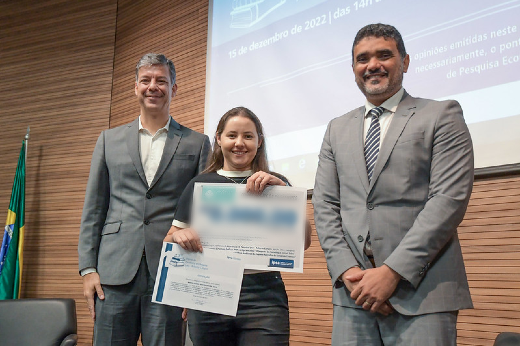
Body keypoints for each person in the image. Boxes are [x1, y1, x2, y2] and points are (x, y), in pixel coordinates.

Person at [312, 23, 474, 346]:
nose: (372, 65)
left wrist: (391, 273)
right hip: (353, 297)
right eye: (362, 59)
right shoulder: (336, 129)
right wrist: (348, 272)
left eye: (384, 55)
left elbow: (448, 201)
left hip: (422, 295)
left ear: (405, 61)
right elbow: (325, 206)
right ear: (354, 69)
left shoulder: (442, 115)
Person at [78, 53, 211, 346]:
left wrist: (197, 280)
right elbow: (94, 208)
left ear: (174, 89)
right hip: (113, 274)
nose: (153, 86)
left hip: (170, 270)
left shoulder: (197, 143)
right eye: (146, 80)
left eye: (161, 81)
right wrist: (88, 269)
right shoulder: (108, 140)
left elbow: (204, 212)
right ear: (135, 87)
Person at [164, 106, 311, 346]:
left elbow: (303, 243)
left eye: (248, 136)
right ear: (219, 139)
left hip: (264, 298)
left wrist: (285, 195)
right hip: (209, 292)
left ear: (259, 141)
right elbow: (169, 239)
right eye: (232, 135)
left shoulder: (276, 184)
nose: (239, 143)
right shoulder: (200, 184)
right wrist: (180, 237)